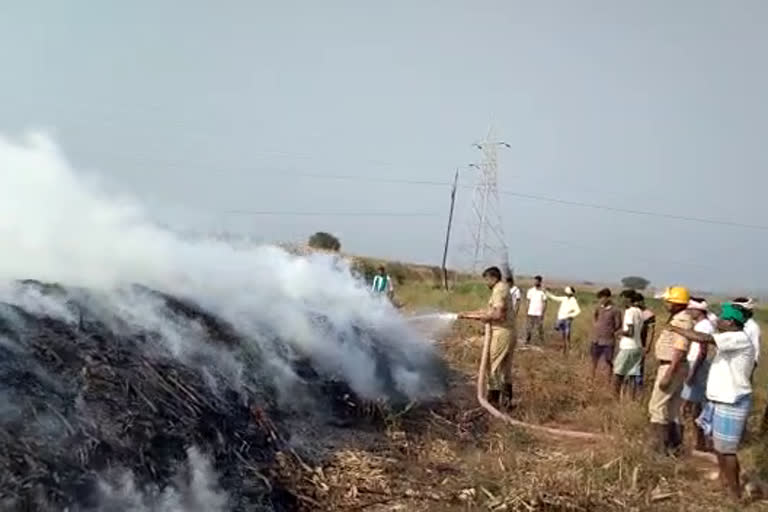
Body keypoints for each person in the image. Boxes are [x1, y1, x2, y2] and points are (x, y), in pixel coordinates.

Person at [668, 303, 756, 498]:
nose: (718, 321)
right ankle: (724, 481)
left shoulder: (738, 338)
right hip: (720, 399)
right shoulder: (730, 337)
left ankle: (735, 494)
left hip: (731, 400)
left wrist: (675, 328)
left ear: (731, 322)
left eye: (722, 318)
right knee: (718, 447)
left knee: (727, 451)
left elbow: (703, 338)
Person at [458, 267, 516, 408]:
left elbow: (497, 315)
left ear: (493, 278)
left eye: (486, 279)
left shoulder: (498, 289)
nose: (486, 283)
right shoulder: (504, 287)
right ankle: (507, 403)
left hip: (501, 332)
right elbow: (489, 311)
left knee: (492, 366)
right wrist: (468, 314)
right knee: (505, 369)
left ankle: (493, 402)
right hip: (508, 332)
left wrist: (479, 317)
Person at [647, 286, 693, 455]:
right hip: (676, 366)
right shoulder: (680, 318)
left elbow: (680, 348)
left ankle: (658, 449)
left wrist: (669, 372)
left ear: (676, 303)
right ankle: (675, 447)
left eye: (668, 301)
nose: (666, 304)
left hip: (671, 365)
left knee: (657, 407)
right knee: (673, 409)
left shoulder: (681, 320)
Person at [680, 298, 716, 451]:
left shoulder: (705, 326)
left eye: (692, 309)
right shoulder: (702, 324)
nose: (689, 312)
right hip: (695, 363)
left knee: (696, 404)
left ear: (699, 310)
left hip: (698, 365)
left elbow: (702, 351)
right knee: (693, 403)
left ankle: (699, 441)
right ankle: (697, 439)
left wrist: (693, 372)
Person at [613, 291, 644, 400]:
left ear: (628, 299)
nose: (621, 301)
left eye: (622, 298)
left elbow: (630, 332)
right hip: (637, 346)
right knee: (632, 375)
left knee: (618, 374)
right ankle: (632, 399)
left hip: (628, 347)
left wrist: (619, 333)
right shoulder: (640, 311)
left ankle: (615, 399)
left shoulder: (629, 312)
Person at [591, 288, 622, 381]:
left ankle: (608, 380)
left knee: (608, 361)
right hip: (596, 339)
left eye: (603, 298)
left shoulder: (615, 310)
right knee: (594, 360)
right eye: (600, 298)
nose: (601, 300)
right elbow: (594, 316)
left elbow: (618, 324)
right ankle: (592, 378)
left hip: (608, 340)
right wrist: (596, 325)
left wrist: (610, 330)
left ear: (608, 298)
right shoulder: (598, 307)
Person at [732, 298, 761, 380]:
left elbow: (756, 349)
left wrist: (751, 369)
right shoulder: (734, 324)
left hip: (744, 365)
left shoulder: (752, 327)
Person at [547, 286, 581, 353]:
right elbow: (555, 298)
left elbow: (578, 311)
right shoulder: (564, 298)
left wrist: (570, 315)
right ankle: (563, 348)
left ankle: (567, 348)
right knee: (561, 334)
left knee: (567, 334)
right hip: (560, 318)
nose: (566, 293)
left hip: (567, 320)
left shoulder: (573, 301)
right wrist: (547, 293)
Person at [636, 296, 656, 390]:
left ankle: (638, 388)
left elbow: (651, 331)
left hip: (641, 344)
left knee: (639, 368)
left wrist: (648, 346)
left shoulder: (649, 315)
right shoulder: (632, 312)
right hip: (630, 344)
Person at [524, 276, 547, 345]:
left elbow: (545, 303)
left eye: (537, 281)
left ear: (540, 282)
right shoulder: (530, 291)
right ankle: (527, 340)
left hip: (539, 313)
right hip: (531, 312)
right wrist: (526, 310)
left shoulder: (543, 292)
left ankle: (542, 341)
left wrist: (543, 313)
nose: (535, 282)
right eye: (534, 281)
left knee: (539, 328)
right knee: (529, 327)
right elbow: (528, 301)